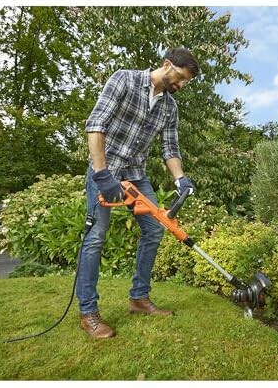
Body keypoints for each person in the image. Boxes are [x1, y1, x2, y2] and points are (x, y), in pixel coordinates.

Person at [77, 47, 200, 338]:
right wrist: (102, 173)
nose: (182, 85)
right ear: (167, 65)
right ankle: (88, 313)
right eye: (181, 78)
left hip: (136, 176)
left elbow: (170, 148)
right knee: (95, 239)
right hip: (104, 170)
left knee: (155, 230)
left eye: (186, 82)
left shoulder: (170, 107)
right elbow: (96, 125)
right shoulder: (124, 80)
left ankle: (139, 298)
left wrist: (180, 178)